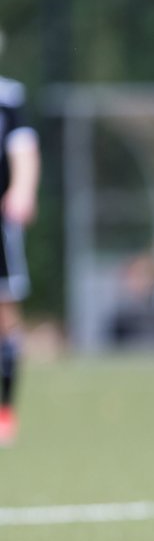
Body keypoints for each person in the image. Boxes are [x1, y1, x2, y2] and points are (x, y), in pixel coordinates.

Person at [0, 71, 39, 447]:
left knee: (5, 316)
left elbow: (24, 149)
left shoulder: (8, 96)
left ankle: (5, 411)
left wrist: (23, 190)